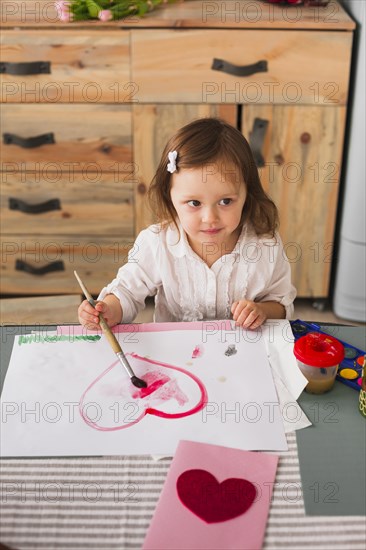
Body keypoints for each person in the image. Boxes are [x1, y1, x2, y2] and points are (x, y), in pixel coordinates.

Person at [78, 118, 296, 330]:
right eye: (194, 203)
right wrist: (107, 309)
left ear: (247, 193)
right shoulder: (157, 243)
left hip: (242, 352)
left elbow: (281, 304)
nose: (210, 218)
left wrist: (261, 311)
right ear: (169, 196)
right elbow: (126, 292)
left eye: (226, 201)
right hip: (176, 356)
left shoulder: (265, 244)